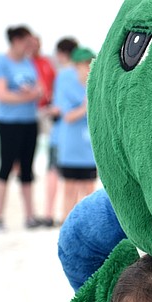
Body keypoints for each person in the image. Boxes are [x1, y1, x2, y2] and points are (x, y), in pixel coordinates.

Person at [0, 25, 42, 231]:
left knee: (28, 170)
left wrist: (33, 93)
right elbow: (1, 95)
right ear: (16, 41)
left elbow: (39, 89)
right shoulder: (0, 63)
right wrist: (26, 96)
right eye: (27, 42)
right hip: (8, 123)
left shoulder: (29, 62)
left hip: (30, 121)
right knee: (6, 167)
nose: (30, 46)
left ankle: (30, 216)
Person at [53, 46, 98, 222]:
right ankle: (67, 224)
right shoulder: (66, 85)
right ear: (76, 66)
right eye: (84, 64)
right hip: (71, 147)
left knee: (89, 189)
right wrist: (86, 106)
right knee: (70, 190)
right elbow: (68, 116)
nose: (87, 68)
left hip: (89, 148)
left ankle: (91, 224)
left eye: (90, 64)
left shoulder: (94, 84)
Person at [40, 37, 79, 228]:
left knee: (54, 172)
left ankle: (49, 214)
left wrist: (48, 110)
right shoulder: (85, 73)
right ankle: (70, 215)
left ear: (62, 54)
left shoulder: (63, 75)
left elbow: (60, 108)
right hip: (80, 138)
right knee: (77, 180)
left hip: (61, 135)